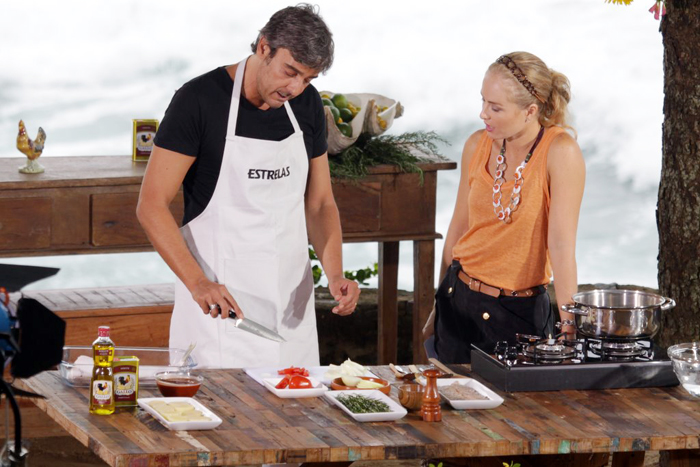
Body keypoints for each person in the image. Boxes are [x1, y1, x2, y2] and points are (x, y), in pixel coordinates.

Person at [137, 4, 360, 369]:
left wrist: (335, 273)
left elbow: (319, 204)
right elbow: (150, 205)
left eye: (307, 79)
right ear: (262, 47)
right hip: (220, 313)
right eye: (290, 72)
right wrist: (197, 283)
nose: (295, 88)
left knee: (295, 422)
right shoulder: (198, 101)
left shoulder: (307, 106)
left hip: (290, 313)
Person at [425, 51, 585, 364]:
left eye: (495, 107)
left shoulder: (559, 152)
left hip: (518, 314)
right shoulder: (477, 144)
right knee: (448, 409)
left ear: (530, 111)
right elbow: (458, 230)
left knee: (522, 412)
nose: (483, 114)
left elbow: (562, 247)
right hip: (457, 299)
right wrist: (436, 307)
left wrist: (569, 327)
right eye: (482, 101)